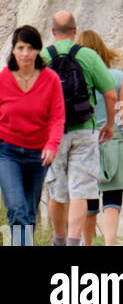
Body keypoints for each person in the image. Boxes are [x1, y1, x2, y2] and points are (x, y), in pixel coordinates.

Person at [41, 11, 117, 245]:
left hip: (53, 133)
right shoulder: (88, 56)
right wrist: (110, 125)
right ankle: (75, 241)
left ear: (53, 32)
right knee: (81, 190)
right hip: (85, 129)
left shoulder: (42, 57)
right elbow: (111, 94)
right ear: (75, 31)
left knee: (58, 191)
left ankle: (59, 239)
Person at [0, 26, 64, 245]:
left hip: (38, 155)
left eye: (30, 48)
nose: (25, 53)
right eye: (20, 48)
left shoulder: (51, 80)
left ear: (38, 51)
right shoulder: (4, 78)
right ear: (13, 50)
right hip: (7, 152)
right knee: (17, 209)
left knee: (28, 210)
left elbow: (57, 117)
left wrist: (52, 145)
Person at [77, 31, 123, 247]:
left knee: (88, 198)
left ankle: (87, 243)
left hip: (85, 139)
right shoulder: (117, 77)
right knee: (112, 196)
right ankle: (110, 243)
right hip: (114, 139)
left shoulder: (78, 79)